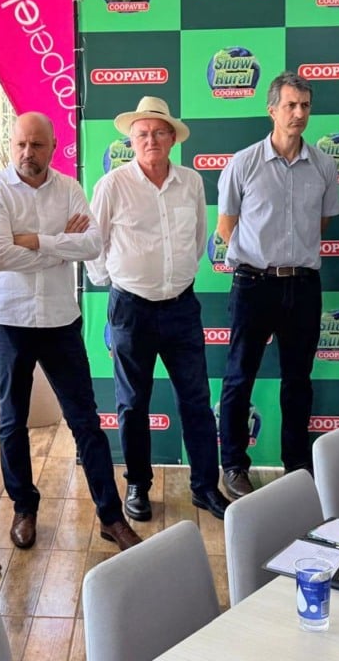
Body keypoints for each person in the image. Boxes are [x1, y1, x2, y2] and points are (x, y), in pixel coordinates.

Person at [0, 112, 142, 551]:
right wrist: (59, 244)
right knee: (12, 423)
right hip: (10, 320)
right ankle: (24, 508)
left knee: (86, 421)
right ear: (11, 144)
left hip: (59, 320)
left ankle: (111, 516)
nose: (27, 153)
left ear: (53, 147)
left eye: (37, 145)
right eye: (20, 144)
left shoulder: (70, 188)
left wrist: (35, 239)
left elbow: (92, 244)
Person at [87, 96, 229, 522]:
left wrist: (174, 276)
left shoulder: (191, 182)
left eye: (159, 132)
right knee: (133, 404)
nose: (151, 140)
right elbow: (94, 243)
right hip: (131, 308)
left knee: (197, 400)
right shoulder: (112, 185)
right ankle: (137, 485)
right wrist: (115, 280)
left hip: (182, 307)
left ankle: (205, 486)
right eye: (143, 134)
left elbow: (199, 237)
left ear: (172, 138)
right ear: (131, 141)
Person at [215, 71, 339, 498]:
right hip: (253, 284)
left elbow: (321, 223)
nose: (299, 113)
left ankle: (297, 464)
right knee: (239, 378)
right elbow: (226, 226)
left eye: (305, 105)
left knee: (298, 380)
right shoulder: (244, 162)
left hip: (303, 285)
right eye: (290, 105)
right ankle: (234, 464)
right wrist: (259, 258)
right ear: (272, 110)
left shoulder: (324, 165)